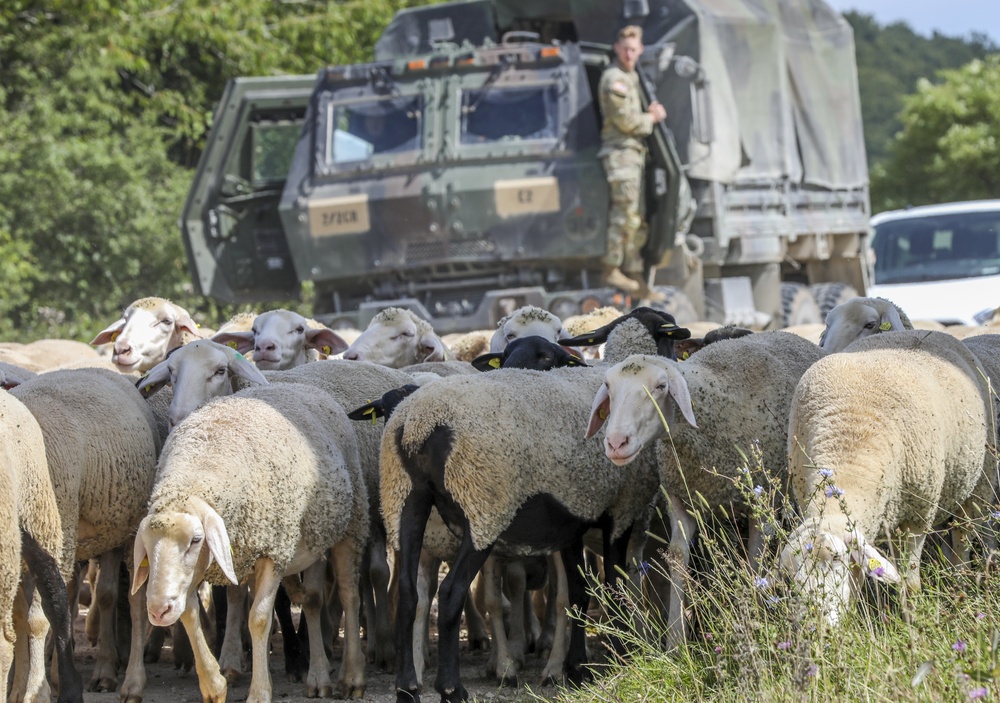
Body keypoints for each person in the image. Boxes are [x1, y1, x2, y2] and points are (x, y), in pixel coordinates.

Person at [597, 25, 668, 301]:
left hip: (632, 155)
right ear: (617, 48)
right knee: (623, 214)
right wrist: (651, 118)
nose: (629, 54)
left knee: (635, 218)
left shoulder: (631, 76)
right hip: (620, 153)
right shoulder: (615, 79)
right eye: (625, 48)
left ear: (640, 49)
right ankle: (611, 267)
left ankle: (636, 274)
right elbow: (625, 121)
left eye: (633, 49)